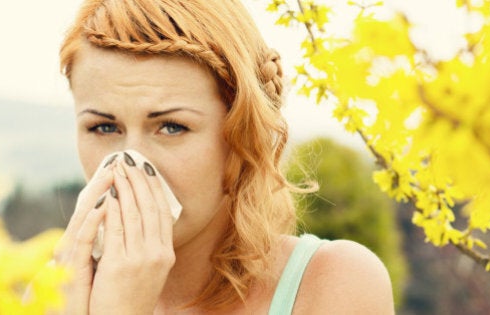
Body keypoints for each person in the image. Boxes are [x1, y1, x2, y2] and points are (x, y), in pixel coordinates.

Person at [54, 0, 394, 313]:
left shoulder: (332, 283)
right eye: (102, 127)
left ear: (239, 135)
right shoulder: (49, 294)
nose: (131, 165)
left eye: (171, 127)